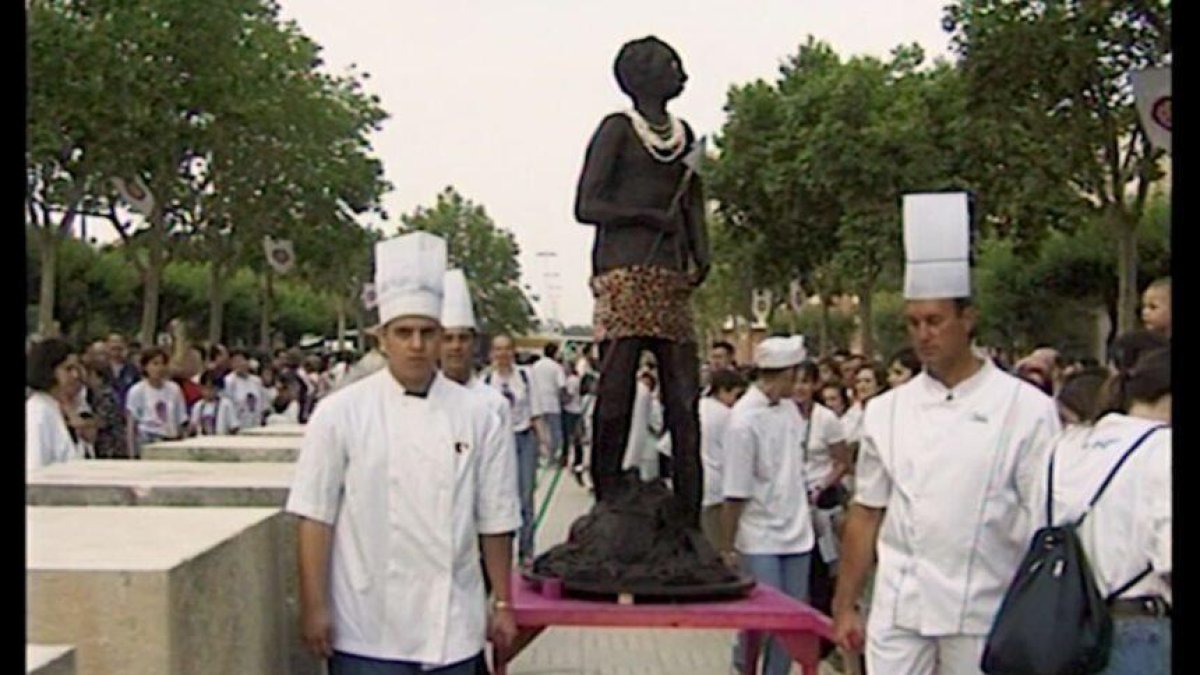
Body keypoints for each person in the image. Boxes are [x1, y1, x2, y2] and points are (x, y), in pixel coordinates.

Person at [832, 192, 1062, 674]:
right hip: (900, 608)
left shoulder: (1026, 410)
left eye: (935, 321)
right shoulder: (887, 411)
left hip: (986, 607)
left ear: (967, 319)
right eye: (914, 323)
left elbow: (1045, 519)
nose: (923, 335)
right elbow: (866, 514)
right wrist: (846, 603)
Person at [286, 232, 519, 674]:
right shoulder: (340, 413)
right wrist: (314, 606)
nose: (416, 344)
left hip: (452, 624)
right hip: (366, 624)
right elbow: (315, 516)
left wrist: (503, 600)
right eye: (404, 333)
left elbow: (496, 516)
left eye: (427, 333)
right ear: (382, 339)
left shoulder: (480, 413)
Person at [574, 35, 710, 523]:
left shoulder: (684, 134)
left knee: (682, 398)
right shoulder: (616, 130)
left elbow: (692, 199)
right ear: (643, 75)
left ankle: (688, 509)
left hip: (671, 277)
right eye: (672, 64)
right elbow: (587, 205)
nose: (682, 72)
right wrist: (649, 216)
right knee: (616, 392)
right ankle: (608, 495)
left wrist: (701, 250)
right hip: (625, 273)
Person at [1025, 347, 1171, 673]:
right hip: (1138, 629)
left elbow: (1034, 531)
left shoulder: (1061, 448)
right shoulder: (1163, 448)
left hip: (1056, 627)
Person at [720, 336, 814, 675]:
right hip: (759, 534)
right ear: (784, 373)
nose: (800, 383)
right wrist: (728, 546)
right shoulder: (743, 421)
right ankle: (743, 666)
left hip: (797, 531)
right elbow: (735, 490)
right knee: (761, 619)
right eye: (796, 375)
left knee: (791, 624)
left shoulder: (790, 410)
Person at [484, 334, 550, 567]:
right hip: (498, 443)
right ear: (492, 353)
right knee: (501, 498)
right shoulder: (485, 381)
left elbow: (536, 410)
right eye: (498, 349)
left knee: (525, 497)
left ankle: (526, 550)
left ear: (513, 351)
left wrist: (544, 441)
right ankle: (502, 551)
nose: (502, 354)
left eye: (507, 349)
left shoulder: (525, 376)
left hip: (524, 438)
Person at [698, 367, 747, 549]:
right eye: (736, 395)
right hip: (719, 489)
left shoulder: (696, 407)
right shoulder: (729, 417)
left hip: (697, 487)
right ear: (722, 390)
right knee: (720, 546)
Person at [27, 338, 89, 471]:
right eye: (68, 369)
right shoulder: (37, 412)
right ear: (48, 371)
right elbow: (34, 468)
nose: (76, 375)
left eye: (77, 368)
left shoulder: (60, 408)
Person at [124, 347, 188, 456]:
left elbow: (180, 421)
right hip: (148, 438)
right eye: (155, 364)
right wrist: (132, 453)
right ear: (145, 367)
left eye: (163, 364)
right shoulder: (137, 391)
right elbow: (131, 424)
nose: (159, 368)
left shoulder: (174, 389)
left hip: (170, 438)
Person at [82, 353, 131, 459]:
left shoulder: (106, 395)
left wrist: (83, 423)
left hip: (112, 445)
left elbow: (102, 421)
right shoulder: (94, 394)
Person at [530, 344, 567, 465]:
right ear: (555, 353)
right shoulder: (557, 367)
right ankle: (552, 458)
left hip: (536, 403)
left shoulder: (535, 366)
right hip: (552, 404)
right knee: (555, 433)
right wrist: (564, 400)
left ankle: (535, 458)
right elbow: (562, 386)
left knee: (537, 432)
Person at [224, 349, 268, 431]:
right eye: (235, 361)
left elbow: (263, 404)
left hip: (256, 424)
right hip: (238, 426)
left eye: (241, 360)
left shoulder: (257, 381)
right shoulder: (228, 381)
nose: (239, 364)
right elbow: (227, 406)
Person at [189, 370, 239, 436]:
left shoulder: (226, 404)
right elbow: (193, 426)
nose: (208, 391)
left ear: (217, 388)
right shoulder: (198, 406)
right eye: (205, 388)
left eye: (212, 388)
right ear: (200, 388)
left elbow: (234, 427)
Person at [561, 361, 586, 480]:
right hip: (577, 410)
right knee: (577, 438)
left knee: (570, 437)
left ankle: (568, 460)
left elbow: (569, 397)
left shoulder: (571, 380)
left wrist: (560, 399)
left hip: (571, 411)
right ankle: (577, 461)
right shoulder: (575, 379)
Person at [105, 332, 141, 407]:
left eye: (119, 347)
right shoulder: (101, 369)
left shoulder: (132, 370)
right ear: (107, 347)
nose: (116, 351)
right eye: (113, 347)